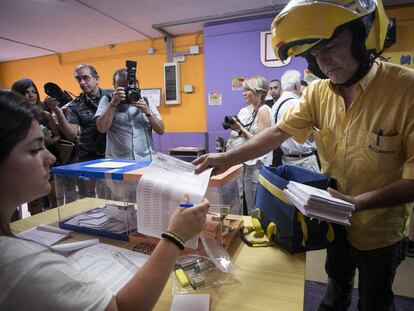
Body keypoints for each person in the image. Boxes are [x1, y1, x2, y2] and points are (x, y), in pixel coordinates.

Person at [194, 0, 414, 310]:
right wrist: (226, 158)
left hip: (380, 229)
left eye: (332, 46)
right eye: (315, 54)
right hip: (333, 221)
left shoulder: (406, 89)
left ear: (363, 37)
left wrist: (359, 203)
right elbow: (276, 133)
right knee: (335, 288)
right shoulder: (317, 92)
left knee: (375, 302)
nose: (323, 62)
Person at [0, 90, 209, 310]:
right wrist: (175, 236)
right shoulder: (19, 263)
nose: (51, 157)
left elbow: (160, 128)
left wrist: (146, 111)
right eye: (34, 149)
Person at [45, 64, 112, 198]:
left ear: (96, 79)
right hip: (87, 155)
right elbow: (71, 134)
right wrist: (58, 112)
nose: (82, 82)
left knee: (110, 193)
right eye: (78, 79)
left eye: (86, 78)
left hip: (111, 153)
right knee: (88, 197)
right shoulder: (76, 104)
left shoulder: (112, 97)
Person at [11, 78, 61, 213]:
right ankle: (35, 232)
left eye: (34, 91)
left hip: (47, 161)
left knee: (57, 200)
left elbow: (57, 136)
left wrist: (51, 141)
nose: (31, 95)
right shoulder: (13, 119)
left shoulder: (44, 115)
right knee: (34, 203)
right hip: (27, 164)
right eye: (26, 92)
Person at [225, 76, 272, 215]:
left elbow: (261, 141)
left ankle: (258, 232)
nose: (244, 93)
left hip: (258, 164)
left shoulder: (264, 110)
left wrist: (241, 129)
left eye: (248, 90)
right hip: (248, 162)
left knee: (255, 204)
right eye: (243, 90)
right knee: (248, 200)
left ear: (259, 93)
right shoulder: (250, 110)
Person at [96, 68, 164, 160]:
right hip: (118, 161)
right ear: (115, 85)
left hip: (146, 159)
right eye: (122, 86)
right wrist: (113, 104)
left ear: (135, 84)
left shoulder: (146, 99)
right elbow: (101, 128)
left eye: (129, 85)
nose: (126, 89)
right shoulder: (107, 100)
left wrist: (147, 111)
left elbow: (160, 130)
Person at [271, 70, 319, 171]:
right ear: (297, 85)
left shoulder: (275, 106)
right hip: (305, 161)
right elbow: (312, 136)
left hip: (287, 160)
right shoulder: (298, 104)